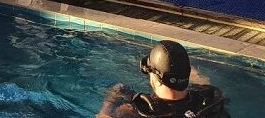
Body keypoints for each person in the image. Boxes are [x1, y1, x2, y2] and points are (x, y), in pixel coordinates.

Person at [97, 40, 228, 118]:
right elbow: (201, 81)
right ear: (187, 73)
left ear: (155, 76)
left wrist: (110, 101)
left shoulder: (136, 111)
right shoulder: (212, 98)